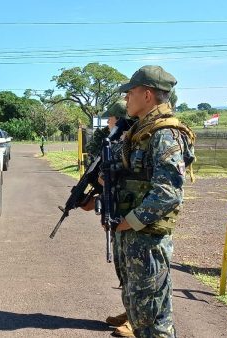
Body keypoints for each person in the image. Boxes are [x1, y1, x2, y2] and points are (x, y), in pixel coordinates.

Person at [115, 65, 195, 337]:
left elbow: (169, 192)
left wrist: (130, 221)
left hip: (147, 238)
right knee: (140, 314)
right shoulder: (143, 130)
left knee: (153, 321)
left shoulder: (164, 134)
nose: (126, 98)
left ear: (147, 95)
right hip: (136, 236)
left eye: (131, 92)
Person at [82, 100, 136, 337]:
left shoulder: (131, 140)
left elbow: (125, 178)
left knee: (137, 272)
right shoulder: (114, 140)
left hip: (132, 215)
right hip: (118, 212)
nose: (108, 122)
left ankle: (137, 319)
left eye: (110, 118)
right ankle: (131, 311)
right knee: (123, 267)